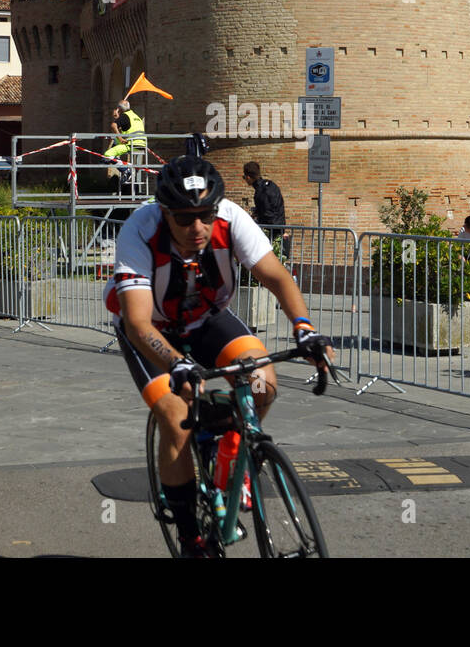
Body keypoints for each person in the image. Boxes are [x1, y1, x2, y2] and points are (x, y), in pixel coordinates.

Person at [104, 155, 333, 557]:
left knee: (263, 384)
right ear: (165, 212)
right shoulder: (141, 229)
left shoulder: (231, 218)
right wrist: (176, 363)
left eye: (205, 216)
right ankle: (191, 534)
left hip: (207, 318)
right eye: (184, 218)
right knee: (176, 417)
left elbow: (276, 276)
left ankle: (231, 459)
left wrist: (305, 328)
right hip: (153, 331)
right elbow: (139, 322)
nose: (197, 228)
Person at [242, 161, 290, 259]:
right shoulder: (271, 185)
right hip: (280, 227)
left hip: (271, 231)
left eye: (244, 177)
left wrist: (257, 220)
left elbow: (266, 213)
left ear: (248, 177)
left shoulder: (260, 192)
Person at [103, 99, 147, 185]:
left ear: (119, 109)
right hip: (141, 145)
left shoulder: (125, 116)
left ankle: (125, 169)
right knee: (115, 145)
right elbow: (125, 128)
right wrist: (117, 119)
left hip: (131, 144)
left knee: (107, 155)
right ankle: (122, 165)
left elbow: (113, 126)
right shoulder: (136, 116)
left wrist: (120, 138)